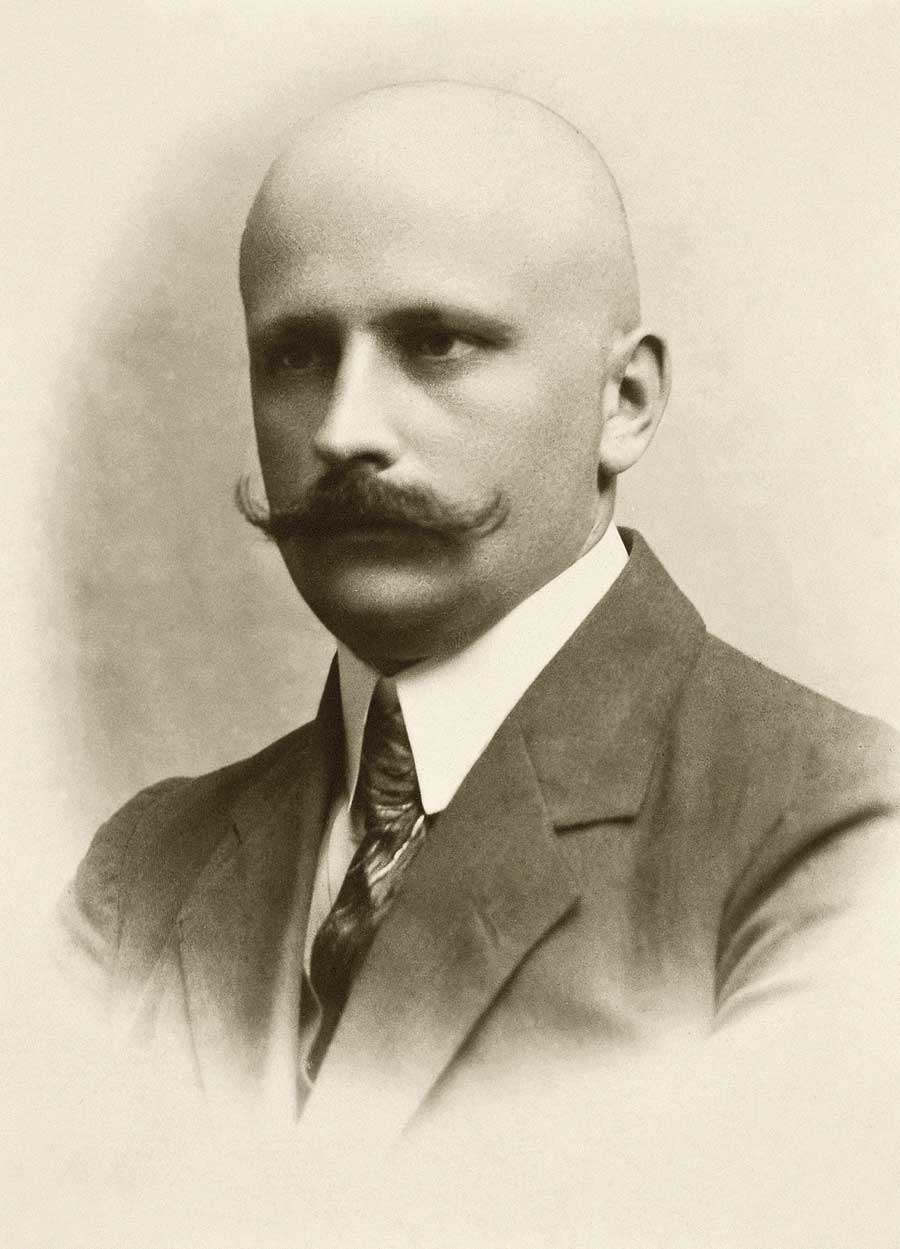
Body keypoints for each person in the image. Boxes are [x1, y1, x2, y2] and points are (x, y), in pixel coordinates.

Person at [59, 81, 899, 1163]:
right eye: (297, 355)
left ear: (625, 402)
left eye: (437, 343)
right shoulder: (140, 875)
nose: (343, 431)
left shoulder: (840, 836)